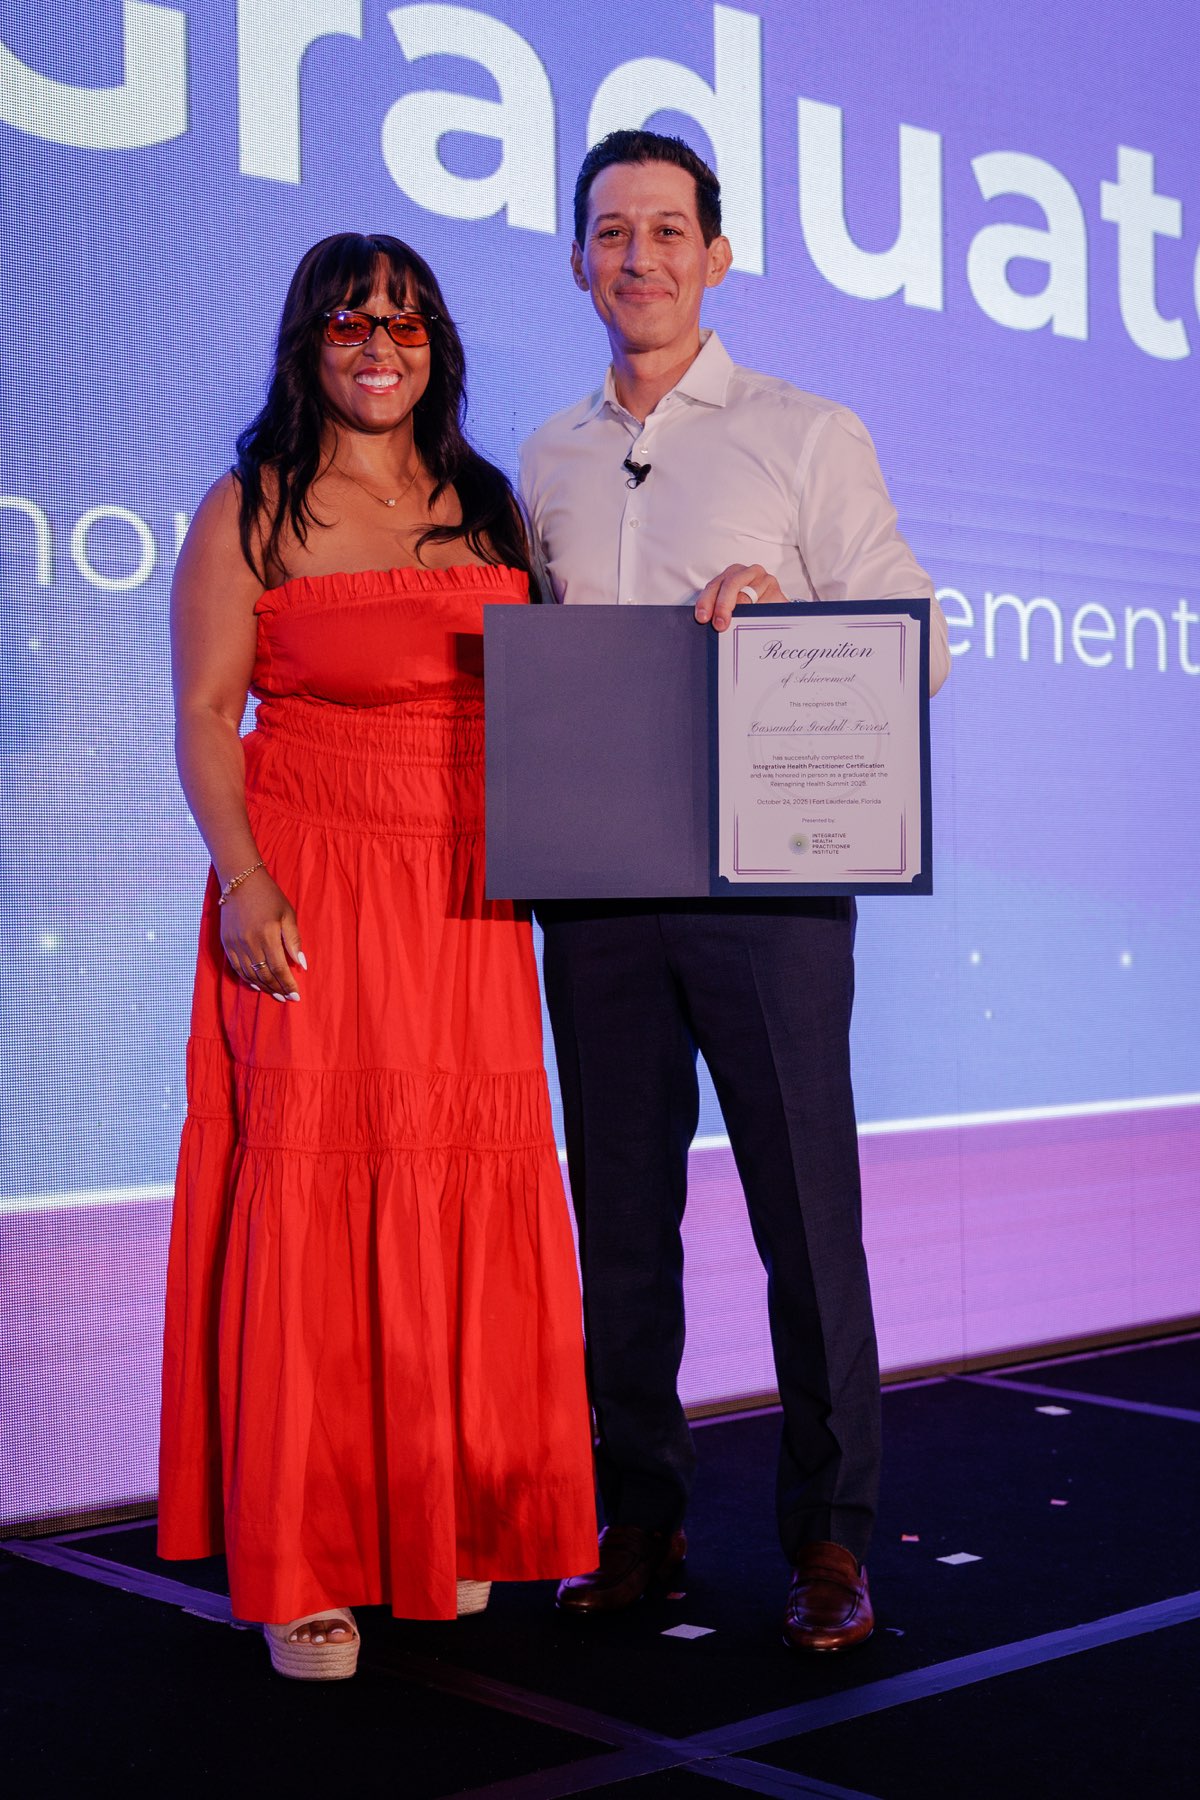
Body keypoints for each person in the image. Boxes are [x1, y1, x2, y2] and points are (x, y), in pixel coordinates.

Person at [519, 131, 950, 1652]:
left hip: (769, 887)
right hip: (598, 887)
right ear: (579, 261)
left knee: (804, 1217)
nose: (637, 256)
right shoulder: (547, 458)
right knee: (620, 1220)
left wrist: (783, 618)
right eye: (610, 232)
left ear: (715, 256)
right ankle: (638, 1519)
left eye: (666, 230)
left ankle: (830, 1539)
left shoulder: (803, 430)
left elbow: (920, 638)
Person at [158, 231, 596, 1679]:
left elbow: (557, 696)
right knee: (317, 1194)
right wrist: (245, 881)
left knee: (461, 1179)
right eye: (350, 322)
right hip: (313, 880)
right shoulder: (251, 506)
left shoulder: (489, 500)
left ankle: (445, 1514)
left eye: (405, 324)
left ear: (436, 347)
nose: (378, 347)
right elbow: (207, 715)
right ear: (309, 342)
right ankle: (309, 1562)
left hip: (469, 896)